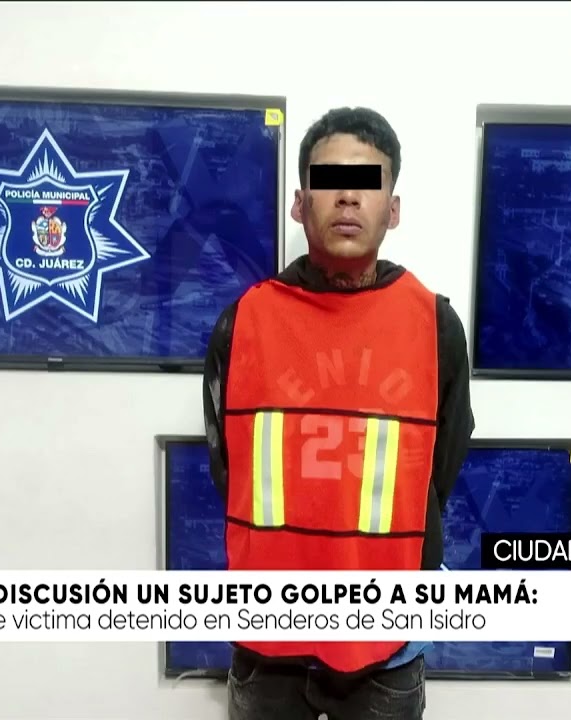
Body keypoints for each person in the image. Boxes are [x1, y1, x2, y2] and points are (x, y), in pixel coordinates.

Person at [202, 107, 475, 720]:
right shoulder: (243, 323)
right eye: (329, 181)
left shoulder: (435, 326)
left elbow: (439, 470)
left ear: (393, 209)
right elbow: (227, 465)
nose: (348, 197)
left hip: (387, 647)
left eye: (367, 183)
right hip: (266, 641)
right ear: (300, 204)